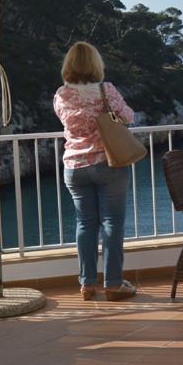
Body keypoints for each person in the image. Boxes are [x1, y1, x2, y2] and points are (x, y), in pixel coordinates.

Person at [54, 41, 137, 301]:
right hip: (107, 163)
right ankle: (113, 284)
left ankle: (87, 284)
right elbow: (128, 116)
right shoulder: (106, 90)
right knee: (112, 223)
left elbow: (66, 120)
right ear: (95, 64)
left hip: (74, 167)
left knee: (85, 223)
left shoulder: (61, 94)